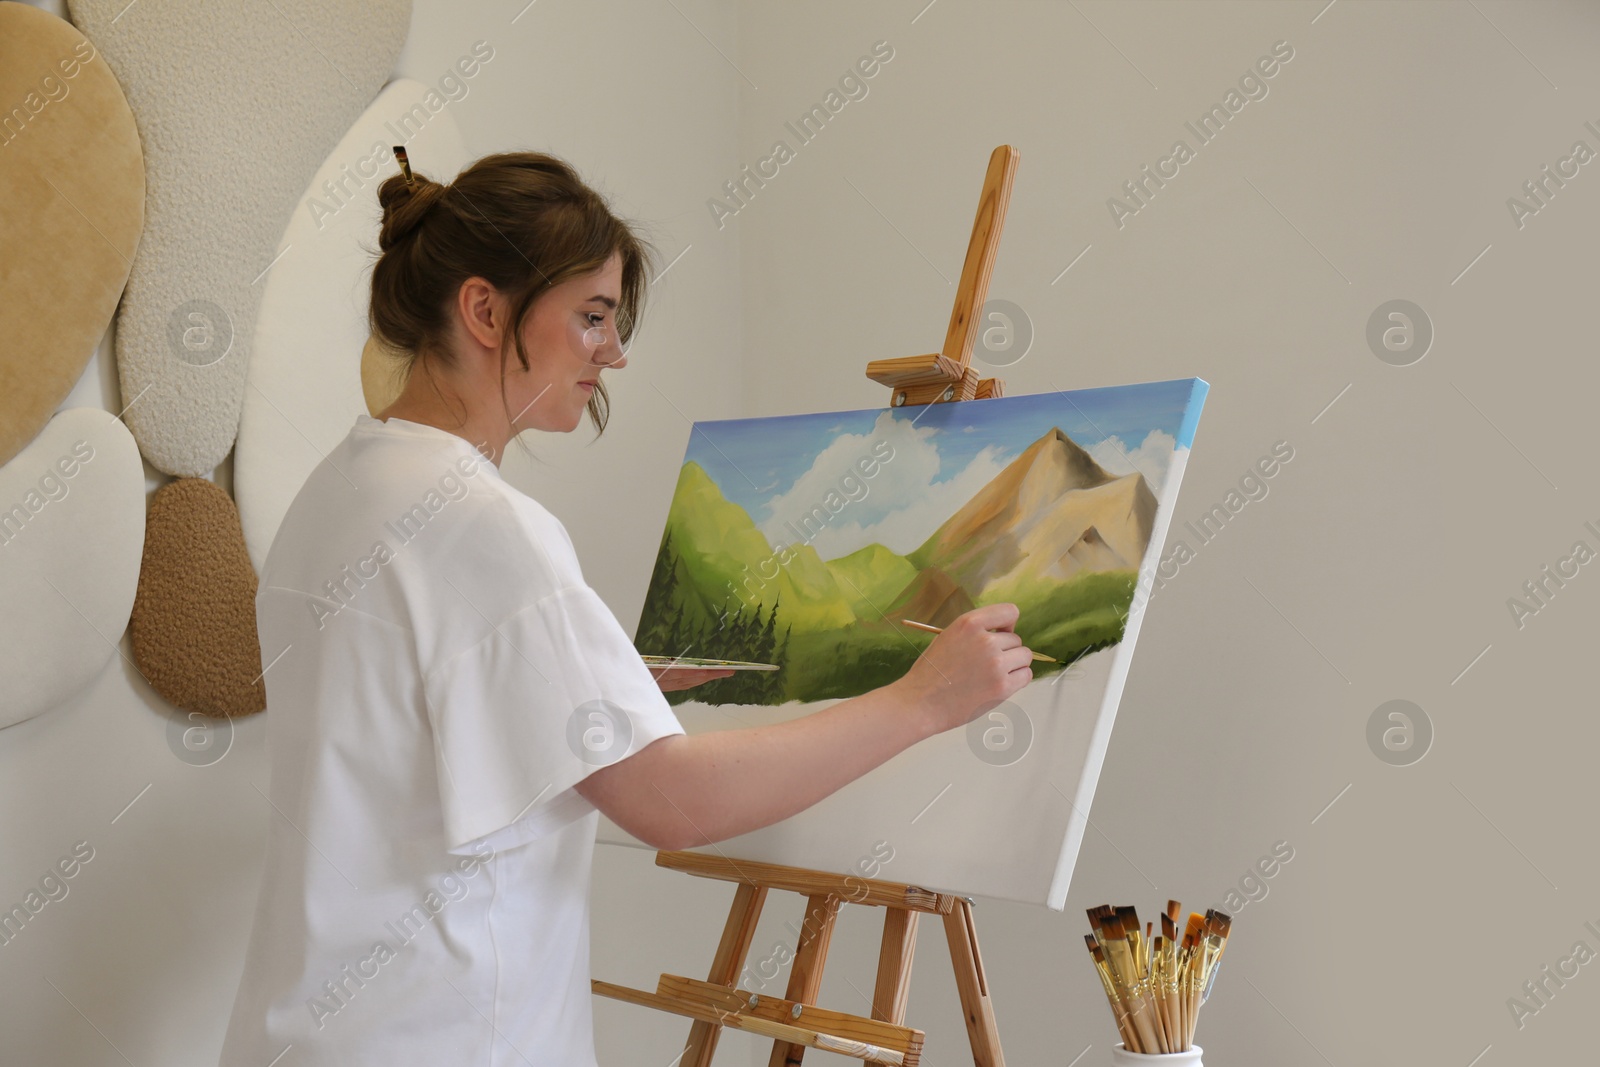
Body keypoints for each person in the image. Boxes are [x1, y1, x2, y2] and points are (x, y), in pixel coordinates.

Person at [218, 150, 1033, 1067]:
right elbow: (668, 803)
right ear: (485, 311)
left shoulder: (335, 494)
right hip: (440, 1034)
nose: (613, 351)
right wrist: (921, 701)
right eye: (592, 317)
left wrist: (597, 690)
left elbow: (407, 730)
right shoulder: (485, 527)